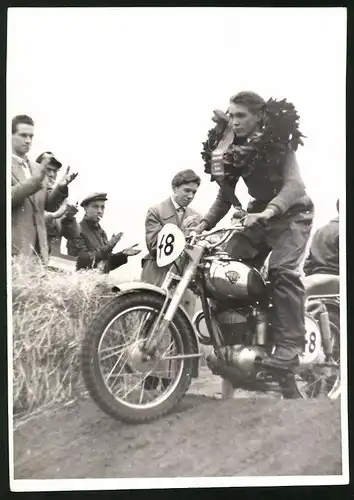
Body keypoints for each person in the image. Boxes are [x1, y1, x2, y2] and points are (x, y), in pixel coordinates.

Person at [194, 91, 314, 372]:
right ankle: (241, 340)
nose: (234, 122)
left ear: (259, 116)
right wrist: (203, 224)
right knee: (223, 269)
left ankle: (290, 347)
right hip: (257, 216)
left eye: (241, 115)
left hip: (293, 214)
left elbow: (295, 186)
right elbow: (225, 198)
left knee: (282, 271)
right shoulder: (231, 150)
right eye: (231, 115)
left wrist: (269, 211)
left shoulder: (278, 144)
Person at [11, 115, 77, 264]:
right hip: (14, 253)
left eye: (31, 136)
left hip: (40, 253)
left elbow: (47, 205)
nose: (28, 140)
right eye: (23, 135)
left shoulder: (35, 168)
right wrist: (34, 181)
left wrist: (60, 188)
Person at [141, 169, 202, 317]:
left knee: (181, 327)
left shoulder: (197, 217)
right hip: (158, 275)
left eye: (194, 192)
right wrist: (182, 233)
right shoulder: (156, 211)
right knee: (151, 323)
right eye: (187, 191)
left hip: (183, 279)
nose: (190, 196)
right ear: (174, 188)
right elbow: (156, 248)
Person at [67, 192, 141, 272]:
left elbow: (105, 265)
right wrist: (108, 247)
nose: (100, 211)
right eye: (95, 207)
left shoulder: (101, 232)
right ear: (85, 208)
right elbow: (81, 260)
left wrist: (123, 255)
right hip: (80, 282)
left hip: (98, 282)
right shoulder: (77, 230)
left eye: (102, 207)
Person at [36, 151, 80, 256]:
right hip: (30, 260)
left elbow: (74, 236)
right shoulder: (30, 195)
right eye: (48, 169)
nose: (52, 174)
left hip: (52, 263)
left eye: (55, 171)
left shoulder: (62, 200)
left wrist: (70, 218)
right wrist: (54, 215)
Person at [303, 200, 339, 277]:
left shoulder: (320, 231)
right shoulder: (343, 230)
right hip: (337, 280)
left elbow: (308, 263)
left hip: (316, 280)